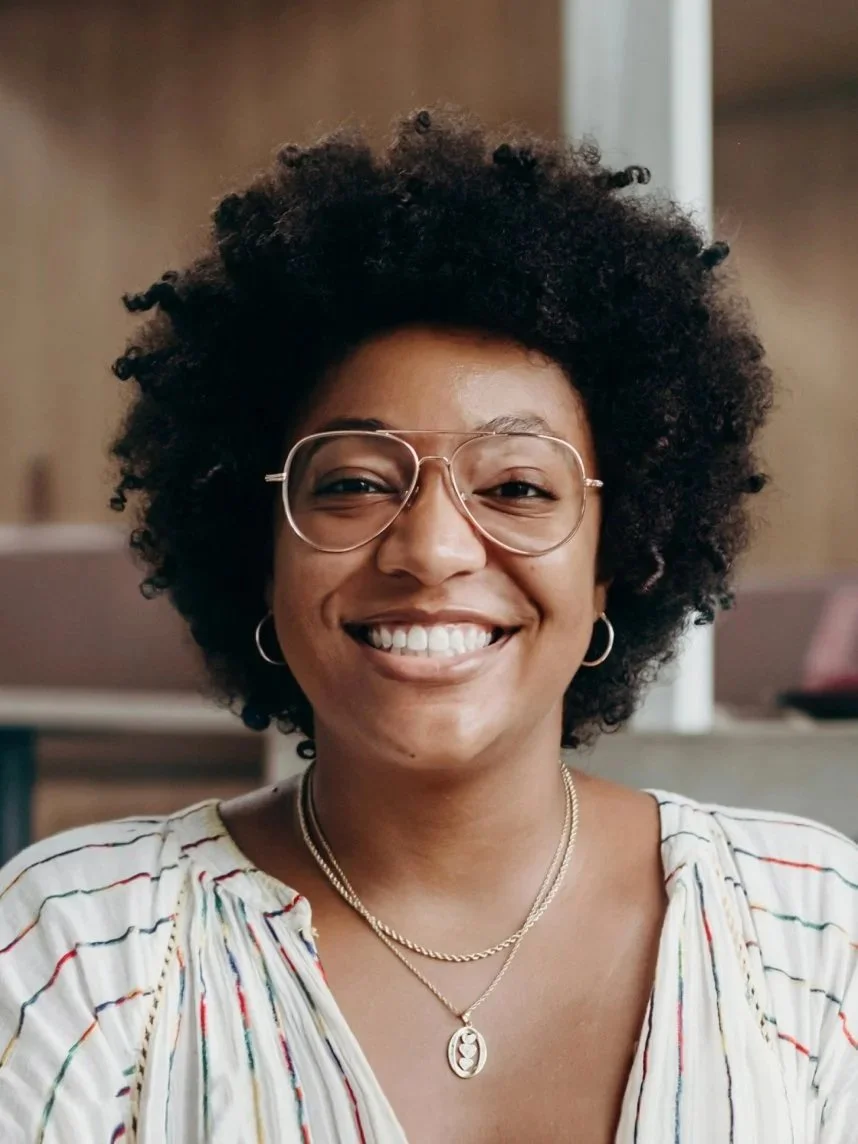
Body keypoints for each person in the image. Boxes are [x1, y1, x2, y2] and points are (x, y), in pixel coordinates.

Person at [0, 108, 855, 1144]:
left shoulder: (810, 934)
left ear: (618, 560)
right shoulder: (77, 950)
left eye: (519, 487)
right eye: (356, 482)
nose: (433, 549)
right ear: (256, 545)